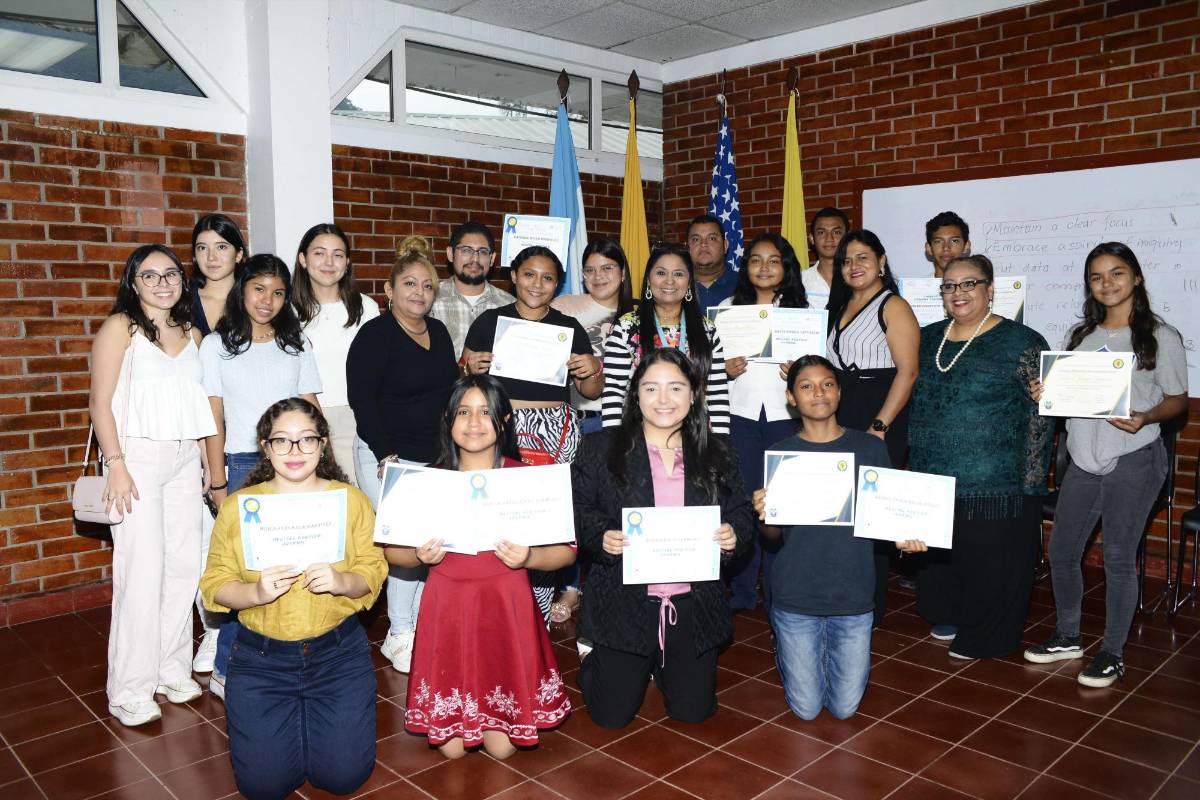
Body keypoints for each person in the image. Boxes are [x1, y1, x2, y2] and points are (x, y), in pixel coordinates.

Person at [200, 399, 385, 800]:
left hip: (337, 656)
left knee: (343, 778)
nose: (295, 452)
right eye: (282, 441)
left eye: (306, 441)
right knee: (263, 788)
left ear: (322, 445)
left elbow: (374, 569)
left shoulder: (349, 501)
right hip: (261, 661)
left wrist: (341, 581)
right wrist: (255, 593)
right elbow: (214, 583)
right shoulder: (238, 508)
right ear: (265, 447)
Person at [1024, 243, 1187, 686]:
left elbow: (1176, 400)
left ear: (1136, 278)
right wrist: (1047, 393)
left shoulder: (1160, 336)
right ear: (1089, 286)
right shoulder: (1080, 338)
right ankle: (1067, 636)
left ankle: (1113, 652)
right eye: (1097, 277)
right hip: (1083, 459)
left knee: (1117, 556)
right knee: (1062, 551)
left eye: (1116, 273)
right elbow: (1066, 397)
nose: (1107, 283)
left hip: (1134, 458)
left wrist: (1146, 416)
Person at [392, 375, 574, 759]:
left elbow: (565, 552)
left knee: (503, 749)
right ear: (448, 419)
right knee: (453, 751)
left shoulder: (526, 478)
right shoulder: (426, 480)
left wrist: (529, 558)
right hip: (447, 604)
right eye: (463, 411)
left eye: (486, 413)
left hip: (504, 602)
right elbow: (393, 552)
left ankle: (500, 709)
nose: (474, 422)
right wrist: (419, 557)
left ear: (504, 421)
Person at [573, 348, 753, 728]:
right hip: (624, 600)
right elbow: (578, 510)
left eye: (676, 388)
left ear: (693, 394)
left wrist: (734, 534)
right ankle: (595, 653)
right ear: (636, 394)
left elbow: (741, 511)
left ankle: (662, 661)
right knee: (610, 717)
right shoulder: (601, 450)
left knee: (693, 713)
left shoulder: (718, 452)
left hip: (692, 602)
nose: (664, 399)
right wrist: (600, 537)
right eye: (651, 388)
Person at [751, 356, 925, 720]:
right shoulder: (780, 453)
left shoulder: (870, 448)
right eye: (806, 386)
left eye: (827, 384)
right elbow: (771, 535)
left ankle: (813, 649)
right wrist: (764, 513)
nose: (818, 392)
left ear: (840, 392)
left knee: (845, 709)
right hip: (796, 595)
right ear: (791, 398)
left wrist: (906, 537)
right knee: (807, 709)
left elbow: (889, 514)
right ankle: (785, 644)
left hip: (853, 595)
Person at [89, 244, 217, 727]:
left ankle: (170, 669)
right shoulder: (119, 328)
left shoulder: (193, 333)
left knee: (184, 566)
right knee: (141, 573)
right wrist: (116, 463)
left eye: (170, 274)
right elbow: (100, 402)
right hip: (135, 458)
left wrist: (208, 462)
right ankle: (129, 688)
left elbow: (202, 405)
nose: (162, 282)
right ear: (134, 282)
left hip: (186, 459)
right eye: (150, 275)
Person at [909, 254, 1052, 659]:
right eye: (950, 286)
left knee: (993, 566)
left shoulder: (1023, 342)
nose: (959, 293)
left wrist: (1030, 481)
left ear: (990, 290)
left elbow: (1041, 414)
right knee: (946, 563)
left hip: (997, 480)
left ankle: (989, 636)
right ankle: (952, 615)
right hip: (934, 474)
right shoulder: (928, 337)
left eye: (969, 284)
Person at [199, 254, 323, 698]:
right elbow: (212, 417)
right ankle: (226, 666)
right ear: (242, 290)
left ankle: (292, 658)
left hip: (293, 462)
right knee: (245, 573)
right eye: (258, 289)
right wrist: (216, 481)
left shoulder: (297, 344)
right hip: (244, 465)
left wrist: (322, 466)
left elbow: (311, 410)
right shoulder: (216, 346)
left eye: (277, 291)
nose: (267, 300)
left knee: (296, 564)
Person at [463, 245, 601, 620]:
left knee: (546, 521)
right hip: (502, 430)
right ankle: (497, 602)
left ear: (557, 284)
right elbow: (464, 379)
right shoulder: (490, 322)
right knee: (502, 515)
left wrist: (592, 369)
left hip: (555, 432)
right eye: (529, 274)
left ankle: (535, 612)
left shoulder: (569, 328)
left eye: (548, 277)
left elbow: (590, 392)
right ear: (514, 277)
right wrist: (469, 366)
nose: (537, 284)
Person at [347, 236, 458, 673]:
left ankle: (414, 626)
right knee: (404, 545)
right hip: (386, 457)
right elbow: (363, 399)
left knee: (425, 545)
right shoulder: (375, 336)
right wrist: (385, 454)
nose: (419, 293)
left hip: (432, 458)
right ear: (389, 290)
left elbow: (447, 394)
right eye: (409, 284)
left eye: (427, 286)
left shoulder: (441, 332)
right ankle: (399, 633)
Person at [826, 230, 920, 624]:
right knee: (843, 512)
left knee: (873, 514)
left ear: (881, 262)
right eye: (847, 260)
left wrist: (880, 425)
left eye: (863, 257)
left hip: (880, 416)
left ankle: (870, 604)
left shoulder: (893, 305)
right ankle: (842, 593)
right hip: (843, 415)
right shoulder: (841, 305)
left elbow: (909, 371)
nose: (854, 266)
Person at [717, 233, 808, 610]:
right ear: (746, 267)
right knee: (742, 503)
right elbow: (708, 372)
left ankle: (777, 590)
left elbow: (820, 370)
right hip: (740, 417)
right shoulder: (726, 309)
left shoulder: (805, 312)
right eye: (756, 260)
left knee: (780, 505)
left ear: (786, 267)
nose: (765, 267)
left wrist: (798, 370)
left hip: (786, 419)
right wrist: (724, 370)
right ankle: (741, 590)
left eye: (774, 260)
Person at [549, 236, 635, 623]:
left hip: (626, 423)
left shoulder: (639, 313)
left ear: (623, 272)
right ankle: (570, 585)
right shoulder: (564, 306)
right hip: (575, 421)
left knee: (614, 508)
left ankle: (619, 582)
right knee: (572, 507)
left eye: (607, 268)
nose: (598, 276)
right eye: (590, 269)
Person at [188, 213, 247, 674]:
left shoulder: (255, 303)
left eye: (221, 246)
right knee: (201, 538)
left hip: (242, 434)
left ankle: (232, 631)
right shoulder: (176, 302)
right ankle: (211, 631)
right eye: (203, 247)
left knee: (232, 538)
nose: (212, 256)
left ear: (238, 254)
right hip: (189, 431)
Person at [601, 242, 730, 434]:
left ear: (688, 283)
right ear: (649, 280)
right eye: (661, 273)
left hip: (697, 438)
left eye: (678, 274)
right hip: (639, 438)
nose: (669, 281)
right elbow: (613, 392)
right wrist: (612, 442)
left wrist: (722, 442)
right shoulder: (626, 328)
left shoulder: (707, 329)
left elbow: (717, 394)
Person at [292, 223, 380, 487]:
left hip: (357, 417)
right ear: (303, 259)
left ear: (347, 262)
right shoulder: (286, 311)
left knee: (360, 501)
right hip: (302, 418)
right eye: (319, 253)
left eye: (338, 254)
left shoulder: (366, 307)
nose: (329, 262)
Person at [429, 220, 515, 360]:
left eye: (483, 252)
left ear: (492, 258)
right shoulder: (430, 300)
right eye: (466, 250)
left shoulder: (509, 305)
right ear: (450, 254)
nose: (475, 259)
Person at [687, 214, 738, 312]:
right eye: (695, 239)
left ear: (725, 245)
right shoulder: (674, 288)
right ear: (687, 247)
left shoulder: (745, 285)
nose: (703, 244)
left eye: (712, 238)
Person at [804, 207, 848, 307]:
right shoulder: (799, 282)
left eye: (836, 232)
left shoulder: (859, 279)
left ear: (847, 237)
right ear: (812, 238)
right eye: (821, 233)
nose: (829, 239)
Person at [924, 211, 972, 277]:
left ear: (966, 246)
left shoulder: (979, 286)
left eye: (954, 241)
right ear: (929, 248)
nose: (946, 248)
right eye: (938, 241)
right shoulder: (919, 287)